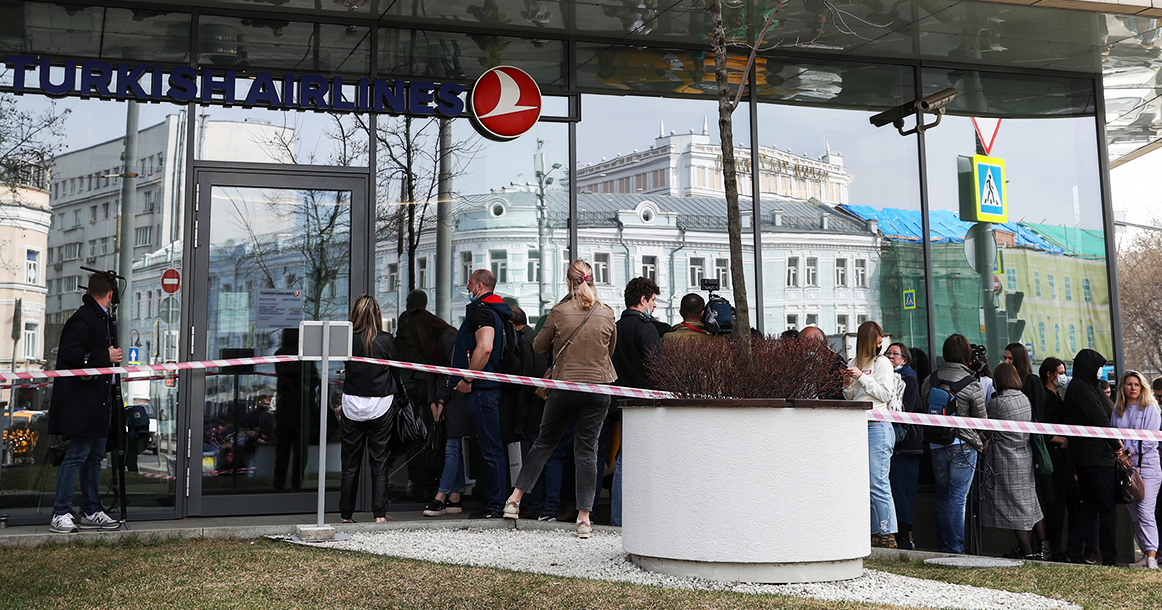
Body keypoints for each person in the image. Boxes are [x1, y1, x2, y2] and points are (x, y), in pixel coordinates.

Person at [503, 259, 618, 539]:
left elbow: (538, 346)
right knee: (587, 452)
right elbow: (610, 350)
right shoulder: (607, 313)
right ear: (592, 280)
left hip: (565, 385)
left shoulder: (559, 311)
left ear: (568, 282)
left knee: (544, 443)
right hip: (598, 388)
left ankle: (514, 500)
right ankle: (584, 518)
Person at [47, 272, 123, 533]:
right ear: (111, 294)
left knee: (93, 457)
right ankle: (60, 513)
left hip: (97, 401)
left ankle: (91, 509)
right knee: (78, 455)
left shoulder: (100, 318)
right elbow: (70, 353)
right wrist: (106, 355)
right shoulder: (84, 318)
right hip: (83, 402)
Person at [448, 269, 513, 519]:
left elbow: (484, 347)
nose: (467, 287)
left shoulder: (483, 312)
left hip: (482, 390)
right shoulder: (496, 311)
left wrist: (467, 377)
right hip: (488, 389)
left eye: (469, 283)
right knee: (490, 448)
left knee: (491, 450)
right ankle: (493, 501)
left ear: (479, 286)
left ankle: (495, 505)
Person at [921, 334, 987, 554]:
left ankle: (943, 547)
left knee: (943, 496)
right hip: (963, 446)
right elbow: (981, 421)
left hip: (936, 445)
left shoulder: (930, 380)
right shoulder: (971, 383)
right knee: (958, 499)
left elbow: (924, 409)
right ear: (965, 354)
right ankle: (956, 550)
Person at [338, 295, 396, 524]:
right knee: (379, 462)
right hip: (381, 404)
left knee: (349, 464)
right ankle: (379, 514)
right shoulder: (386, 340)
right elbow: (396, 370)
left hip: (352, 404)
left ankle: (345, 515)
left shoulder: (347, 340)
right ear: (378, 315)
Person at [610, 276, 661, 527]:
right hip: (646, 403)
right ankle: (636, 520)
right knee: (642, 462)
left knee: (623, 460)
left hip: (620, 401)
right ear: (642, 300)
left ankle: (618, 516)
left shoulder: (616, 328)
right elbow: (658, 367)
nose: (654, 306)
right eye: (652, 301)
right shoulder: (646, 329)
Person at [980, 362, 1044, 560]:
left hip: (1005, 459)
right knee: (1031, 503)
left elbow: (986, 429)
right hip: (1025, 455)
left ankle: (1028, 552)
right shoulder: (1023, 398)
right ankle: (1043, 548)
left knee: (1014, 508)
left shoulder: (998, 403)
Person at [844, 321, 898, 549]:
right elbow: (850, 398)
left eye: (881, 342)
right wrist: (847, 383)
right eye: (877, 342)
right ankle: (875, 532)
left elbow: (885, 395)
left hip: (878, 425)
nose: (880, 346)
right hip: (859, 425)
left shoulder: (883, 363)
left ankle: (887, 533)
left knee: (877, 481)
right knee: (864, 482)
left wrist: (862, 378)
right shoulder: (853, 362)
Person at [1063, 348, 1119, 566]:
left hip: (1082, 456)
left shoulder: (1078, 387)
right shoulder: (1084, 389)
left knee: (1089, 507)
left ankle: (1073, 550)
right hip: (1096, 457)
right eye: (1097, 367)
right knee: (1107, 508)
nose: (1100, 372)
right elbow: (1098, 420)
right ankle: (1111, 557)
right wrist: (1116, 445)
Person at [413, 309, 469, 518]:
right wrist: (433, 403)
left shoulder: (448, 338)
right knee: (454, 449)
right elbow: (432, 374)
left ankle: (441, 497)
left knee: (452, 449)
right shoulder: (440, 341)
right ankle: (455, 496)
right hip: (446, 398)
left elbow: (453, 372)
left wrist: (440, 400)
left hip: (454, 399)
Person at [1004, 342, 1050, 560]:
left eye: (1011, 359)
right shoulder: (1012, 384)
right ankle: (1030, 547)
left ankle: (1037, 547)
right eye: (1005, 358)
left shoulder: (1031, 382)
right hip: (1019, 449)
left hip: (1028, 449)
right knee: (1027, 501)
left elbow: (1037, 418)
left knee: (1028, 501)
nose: (1006, 362)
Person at [1112, 371, 1161, 569]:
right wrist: (1121, 456)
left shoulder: (1150, 409)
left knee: (1146, 512)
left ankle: (1151, 557)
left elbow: (1151, 440)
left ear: (1142, 388)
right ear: (1123, 387)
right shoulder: (1117, 410)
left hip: (1148, 466)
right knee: (1134, 515)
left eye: (1137, 384)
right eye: (1129, 384)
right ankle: (1145, 554)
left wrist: (1128, 453)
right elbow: (1114, 437)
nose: (1133, 388)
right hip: (1126, 468)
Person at [886, 342, 923, 549]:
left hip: (906, 446)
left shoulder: (908, 379)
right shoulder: (883, 376)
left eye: (895, 354)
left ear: (905, 359)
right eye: (888, 353)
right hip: (893, 446)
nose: (891, 356)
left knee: (903, 493)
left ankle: (905, 537)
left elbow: (906, 411)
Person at [1039, 357, 1074, 561]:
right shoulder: (1045, 397)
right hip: (1052, 456)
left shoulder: (1056, 395)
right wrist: (1057, 439)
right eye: (1060, 373)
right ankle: (1052, 548)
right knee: (1055, 504)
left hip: (1062, 458)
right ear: (1050, 374)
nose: (1063, 377)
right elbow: (1040, 427)